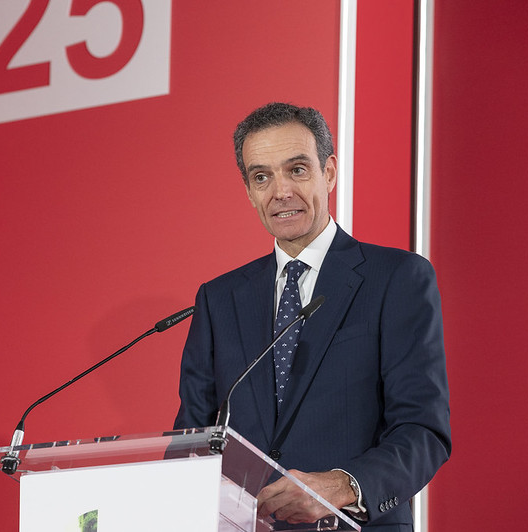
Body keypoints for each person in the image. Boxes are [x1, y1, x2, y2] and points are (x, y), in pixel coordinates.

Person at [174, 102, 451, 530]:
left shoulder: (397, 278)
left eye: (297, 170)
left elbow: (423, 430)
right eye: (261, 177)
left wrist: (342, 485)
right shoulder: (219, 298)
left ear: (330, 173)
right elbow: (191, 442)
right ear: (248, 191)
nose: (280, 191)